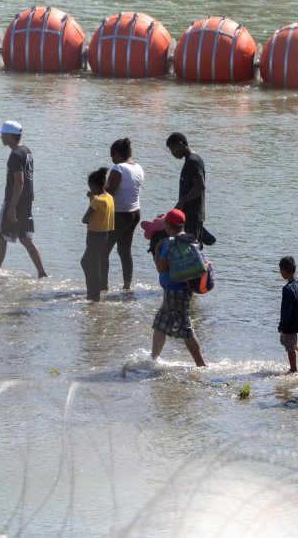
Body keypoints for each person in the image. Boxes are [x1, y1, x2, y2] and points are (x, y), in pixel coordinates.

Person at [143, 208, 206, 367]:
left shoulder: (169, 243)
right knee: (159, 324)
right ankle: (154, 359)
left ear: (169, 226)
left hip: (174, 292)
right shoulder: (189, 241)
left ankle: (201, 365)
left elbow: (161, 267)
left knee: (186, 330)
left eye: (165, 223)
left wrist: (157, 248)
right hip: (181, 290)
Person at [0, 120, 47, 278]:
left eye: (3, 134)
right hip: (27, 202)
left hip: (15, 201)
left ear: (9, 135)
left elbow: (20, 181)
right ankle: (42, 273)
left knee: (0, 238)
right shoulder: (27, 151)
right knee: (25, 238)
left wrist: (11, 206)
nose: (1, 137)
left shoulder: (15, 155)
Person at [102, 137, 144, 290]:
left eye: (112, 155)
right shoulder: (138, 167)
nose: (112, 159)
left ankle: (102, 286)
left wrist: (95, 193)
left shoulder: (118, 168)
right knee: (124, 250)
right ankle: (127, 285)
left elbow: (110, 192)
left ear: (118, 154)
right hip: (134, 213)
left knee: (103, 250)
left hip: (120, 214)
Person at [81, 168, 114, 302]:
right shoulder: (109, 198)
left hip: (94, 235)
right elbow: (99, 213)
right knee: (86, 262)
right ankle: (93, 293)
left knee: (92, 265)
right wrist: (92, 198)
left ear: (93, 185)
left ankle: (94, 296)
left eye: (90, 186)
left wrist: (92, 200)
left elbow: (85, 219)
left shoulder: (97, 201)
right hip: (104, 235)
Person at [166, 132, 208, 239]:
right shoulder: (193, 159)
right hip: (190, 214)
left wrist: (182, 201)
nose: (173, 154)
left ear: (181, 144)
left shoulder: (192, 161)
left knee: (191, 247)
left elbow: (200, 186)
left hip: (192, 214)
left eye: (173, 150)